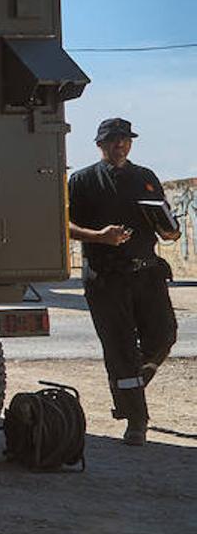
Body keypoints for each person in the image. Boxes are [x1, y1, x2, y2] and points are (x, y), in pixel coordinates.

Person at [67, 118, 180, 446]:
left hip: (147, 272)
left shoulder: (145, 177)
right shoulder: (83, 180)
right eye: (114, 140)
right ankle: (136, 421)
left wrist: (171, 231)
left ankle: (132, 384)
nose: (120, 145)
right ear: (100, 144)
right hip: (106, 277)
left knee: (164, 335)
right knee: (121, 351)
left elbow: (166, 220)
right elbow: (64, 225)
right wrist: (98, 237)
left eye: (125, 139)